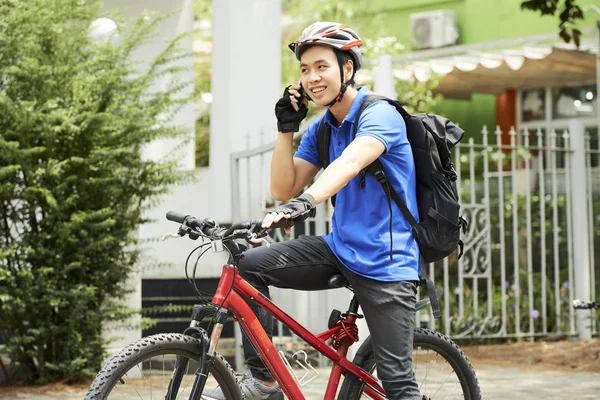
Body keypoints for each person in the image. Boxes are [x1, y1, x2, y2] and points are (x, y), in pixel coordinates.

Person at [203, 21, 422, 400]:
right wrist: (285, 129)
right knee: (249, 267)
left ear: (347, 69)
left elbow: (351, 163)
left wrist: (306, 201)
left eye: (322, 66)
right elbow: (282, 187)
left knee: (399, 385)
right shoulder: (324, 128)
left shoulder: (379, 115)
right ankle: (265, 382)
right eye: (305, 70)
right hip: (340, 249)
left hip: (386, 263)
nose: (311, 78)